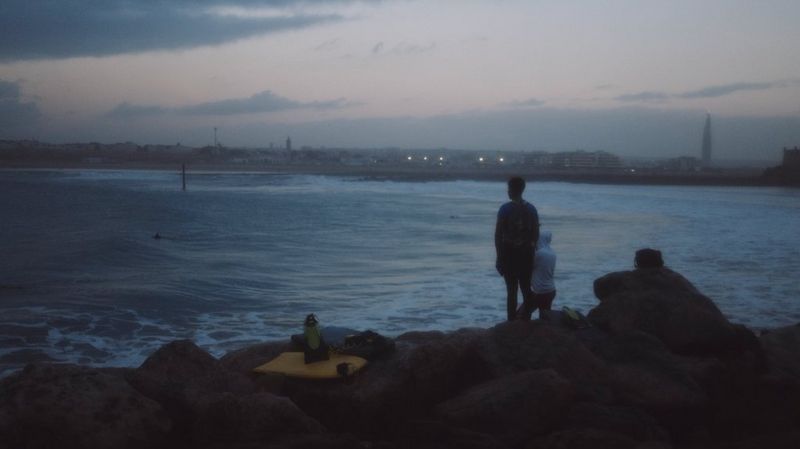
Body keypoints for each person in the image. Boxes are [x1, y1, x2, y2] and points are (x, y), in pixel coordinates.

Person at [495, 176, 540, 321]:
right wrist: (532, 255)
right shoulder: (532, 209)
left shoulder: (505, 209)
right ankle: (526, 320)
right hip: (526, 255)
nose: (507, 192)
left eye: (508, 189)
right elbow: (535, 235)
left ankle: (511, 322)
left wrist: (499, 257)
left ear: (511, 190)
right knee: (526, 289)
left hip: (509, 255)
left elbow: (498, 236)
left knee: (511, 291)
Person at [520, 230, 556, 320]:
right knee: (544, 318)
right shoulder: (552, 253)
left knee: (521, 316)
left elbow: (526, 267)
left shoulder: (539, 254)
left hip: (539, 292)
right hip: (551, 290)